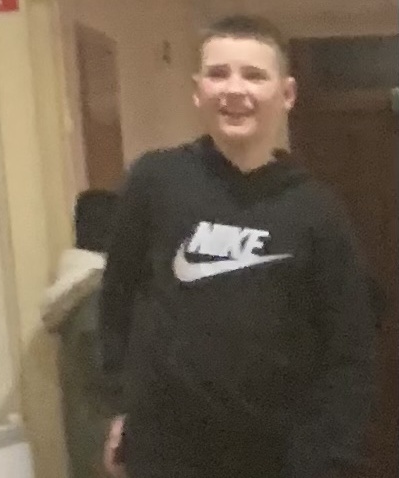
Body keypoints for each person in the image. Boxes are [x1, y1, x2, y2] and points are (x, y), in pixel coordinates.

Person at [99, 15, 375, 478]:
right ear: (197, 89)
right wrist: (119, 408)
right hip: (165, 452)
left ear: (286, 93)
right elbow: (116, 300)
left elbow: (349, 347)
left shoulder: (316, 209)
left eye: (253, 75)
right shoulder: (155, 181)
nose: (234, 89)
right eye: (218, 73)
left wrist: (330, 453)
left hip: (280, 455)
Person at [42, 189, 119, 478]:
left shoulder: (81, 294)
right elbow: (112, 382)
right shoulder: (98, 298)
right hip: (112, 453)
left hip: (93, 447)